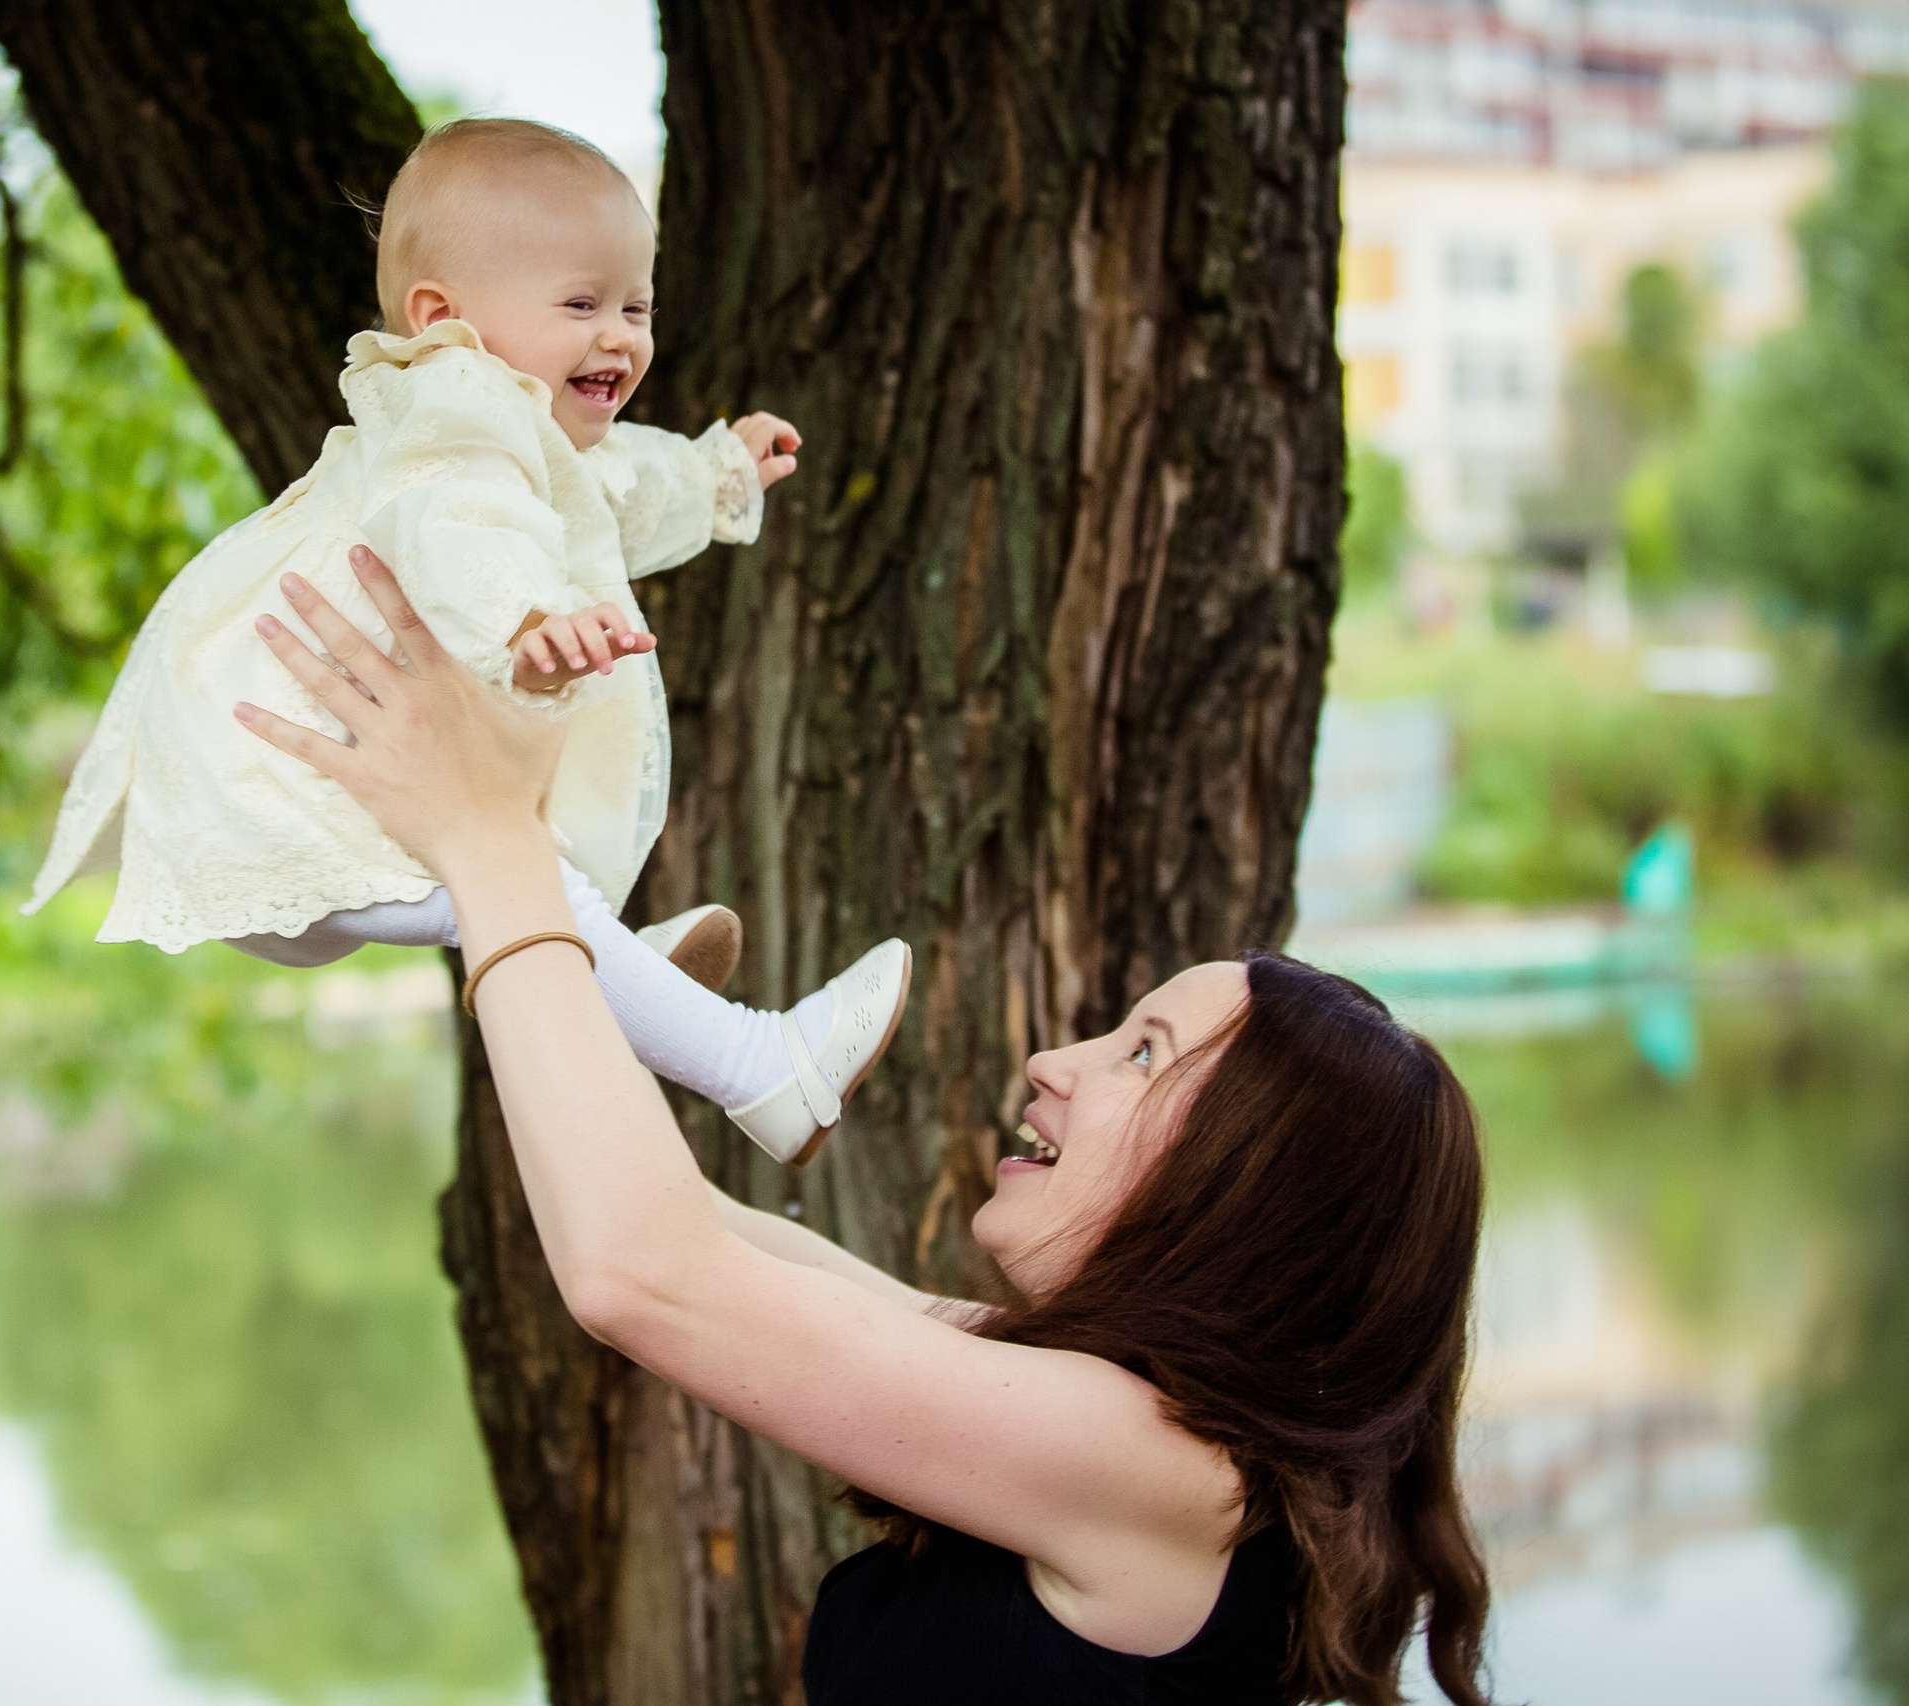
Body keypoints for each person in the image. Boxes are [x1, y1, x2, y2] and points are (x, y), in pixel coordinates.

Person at [234, 547, 1497, 1706]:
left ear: (1258, 1192)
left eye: (1141, 1053)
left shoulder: (1167, 1467)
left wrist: (486, 835)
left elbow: (642, 1273)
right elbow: (700, 1233)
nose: (1054, 1062)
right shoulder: (1140, 1431)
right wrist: (560, 940)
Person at [25, 116, 909, 1165]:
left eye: (636, 306)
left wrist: (717, 472)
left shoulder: (522, 434)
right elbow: (456, 521)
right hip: (298, 796)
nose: (620, 337)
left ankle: (611, 972)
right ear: (442, 319)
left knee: (516, 869)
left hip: (315, 800)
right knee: (508, 864)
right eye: (581, 304)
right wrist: (523, 619)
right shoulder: (454, 406)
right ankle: (761, 1066)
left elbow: (612, 483)